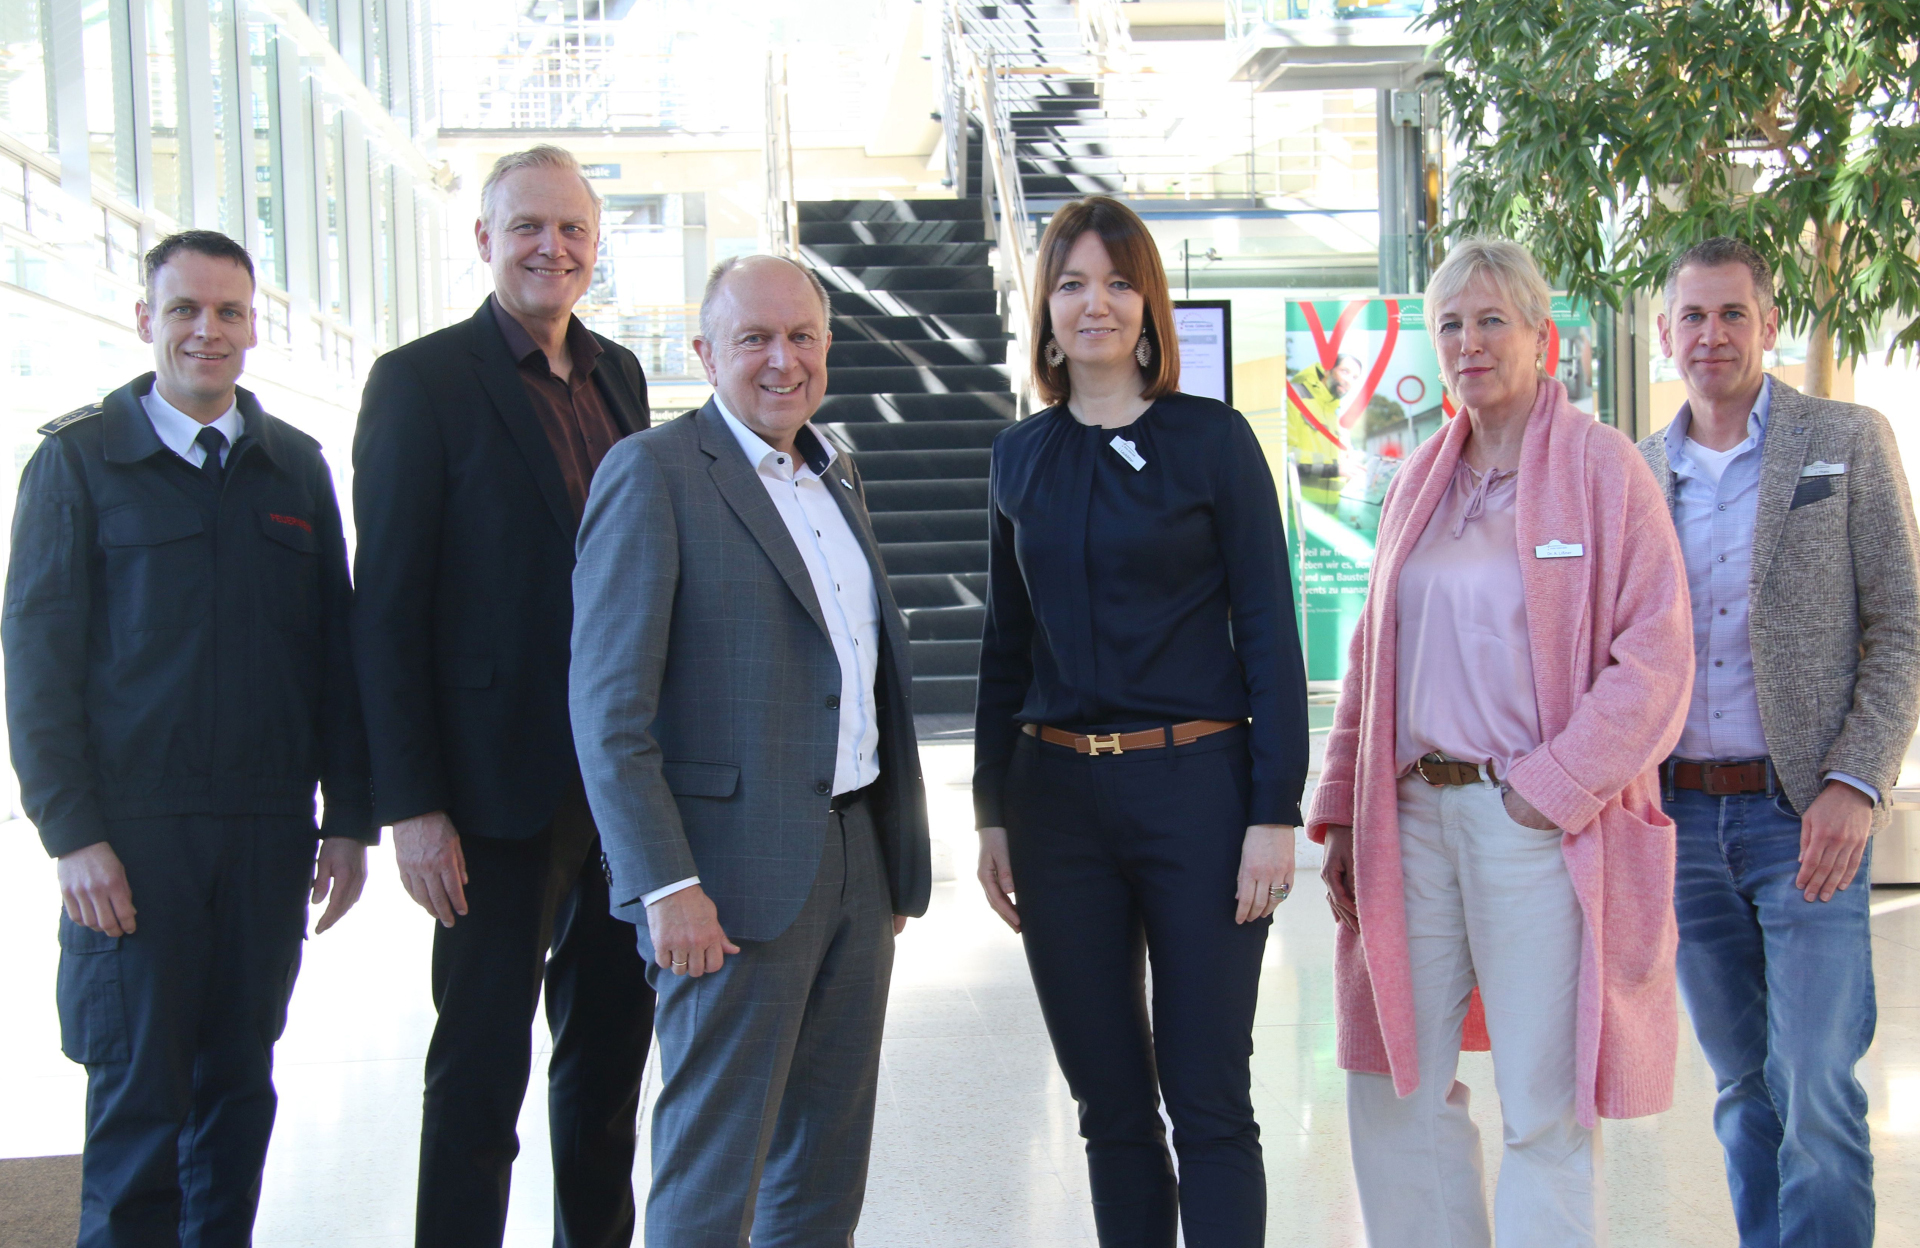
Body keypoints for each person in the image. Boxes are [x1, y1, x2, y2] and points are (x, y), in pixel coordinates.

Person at [1309, 237, 1693, 1247]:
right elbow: (1371, 654)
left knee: (1543, 1100)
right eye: (1450, 325)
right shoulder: (1418, 481)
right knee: (1393, 1080)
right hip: (1408, 820)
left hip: (1535, 823)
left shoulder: (1604, 469)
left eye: (1491, 321)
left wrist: (1552, 785)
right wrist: (1342, 804)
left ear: (1539, 337)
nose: (1470, 342)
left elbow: (1658, 656)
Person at [3, 229, 372, 1246]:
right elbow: (36, 664)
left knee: (237, 1097)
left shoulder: (293, 467)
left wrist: (349, 819)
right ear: (145, 320)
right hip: (135, 840)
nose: (207, 331)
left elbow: (335, 656)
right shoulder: (78, 462)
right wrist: (73, 835)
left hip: (266, 834)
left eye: (228, 312)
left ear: (254, 327)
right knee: (138, 1105)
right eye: (184, 310)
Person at [570, 253, 931, 1247]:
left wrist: (888, 859)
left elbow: (860, 674)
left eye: (802, 337)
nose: (784, 360)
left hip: (854, 858)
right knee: (712, 1169)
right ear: (704, 353)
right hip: (722, 884)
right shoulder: (653, 473)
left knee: (824, 1166)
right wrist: (665, 886)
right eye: (755, 339)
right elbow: (608, 713)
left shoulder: (835, 469)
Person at [972, 195, 1309, 1248]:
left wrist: (1275, 812)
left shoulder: (1214, 442)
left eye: (1118, 282)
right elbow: (1005, 649)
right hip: (1057, 805)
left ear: (1150, 305)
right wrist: (991, 812)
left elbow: (1271, 634)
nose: (1096, 304)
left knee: (1209, 1098)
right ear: (1045, 309)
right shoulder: (1018, 457)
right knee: (1109, 1106)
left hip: (1198, 794)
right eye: (1072, 283)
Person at [350, 145, 654, 1248]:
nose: (551, 248)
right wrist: (412, 805)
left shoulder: (621, 376)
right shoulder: (419, 382)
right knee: (479, 1074)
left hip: (622, 783)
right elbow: (385, 610)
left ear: (595, 244)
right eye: (528, 226)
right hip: (488, 792)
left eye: (572, 229)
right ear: (485, 239)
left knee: (608, 1068)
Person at [1638, 236, 1920, 1248]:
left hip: (1804, 815)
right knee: (1743, 1087)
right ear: (1665, 333)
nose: (1712, 334)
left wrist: (1857, 781)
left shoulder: (1845, 439)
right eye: (1693, 316)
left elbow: (1902, 626)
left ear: (1769, 323)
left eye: (1732, 314)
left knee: (1817, 1085)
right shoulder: (1637, 473)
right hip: (1682, 821)